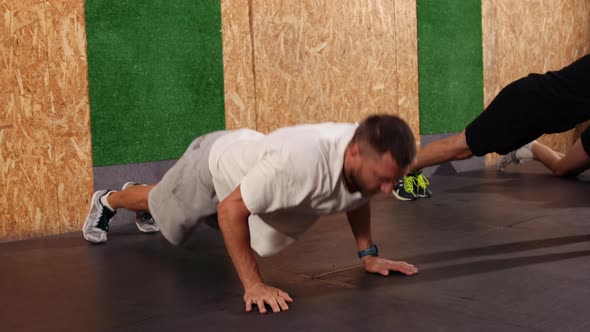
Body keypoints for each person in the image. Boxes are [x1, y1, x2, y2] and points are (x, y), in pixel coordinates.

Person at [83, 114, 419, 314]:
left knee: (199, 207)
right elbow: (230, 210)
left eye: (394, 179)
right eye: (384, 178)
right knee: (162, 207)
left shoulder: (364, 160)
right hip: (212, 168)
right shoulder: (299, 163)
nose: (389, 189)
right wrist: (254, 285)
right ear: (355, 153)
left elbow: (357, 195)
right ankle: (111, 199)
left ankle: (157, 196)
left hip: (250, 173)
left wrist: (368, 255)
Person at [393, 54, 590, 201]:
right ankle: (403, 170)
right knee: (462, 148)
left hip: (539, 118)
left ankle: (412, 170)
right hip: (524, 103)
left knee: (464, 147)